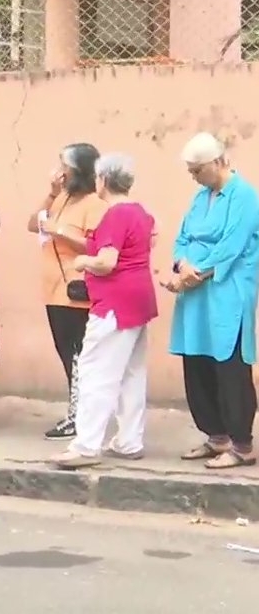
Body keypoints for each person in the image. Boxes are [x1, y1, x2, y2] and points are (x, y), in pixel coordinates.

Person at [49, 154, 158, 469]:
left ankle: (85, 445)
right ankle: (128, 440)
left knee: (94, 370)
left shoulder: (114, 216)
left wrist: (83, 262)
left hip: (114, 303)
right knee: (131, 372)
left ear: (103, 180)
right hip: (139, 300)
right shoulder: (141, 213)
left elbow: (107, 261)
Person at [165, 132, 258, 469]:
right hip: (195, 296)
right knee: (198, 363)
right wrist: (181, 263)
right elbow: (182, 236)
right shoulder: (199, 197)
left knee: (230, 366)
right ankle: (215, 436)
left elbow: (231, 245)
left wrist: (197, 271)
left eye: (198, 170)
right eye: (190, 171)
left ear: (218, 161)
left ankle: (242, 444)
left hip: (227, 292)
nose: (194, 177)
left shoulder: (244, 196)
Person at [27, 143, 108, 440]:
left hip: (76, 294)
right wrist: (50, 194)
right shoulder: (60, 199)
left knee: (78, 359)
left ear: (79, 171)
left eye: (65, 165)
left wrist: (60, 231)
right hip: (53, 292)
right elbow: (31, 224)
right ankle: (77, 413)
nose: (60, 170)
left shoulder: (95, 205)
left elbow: (95, 246)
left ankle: (79, 418)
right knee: (66, 356)